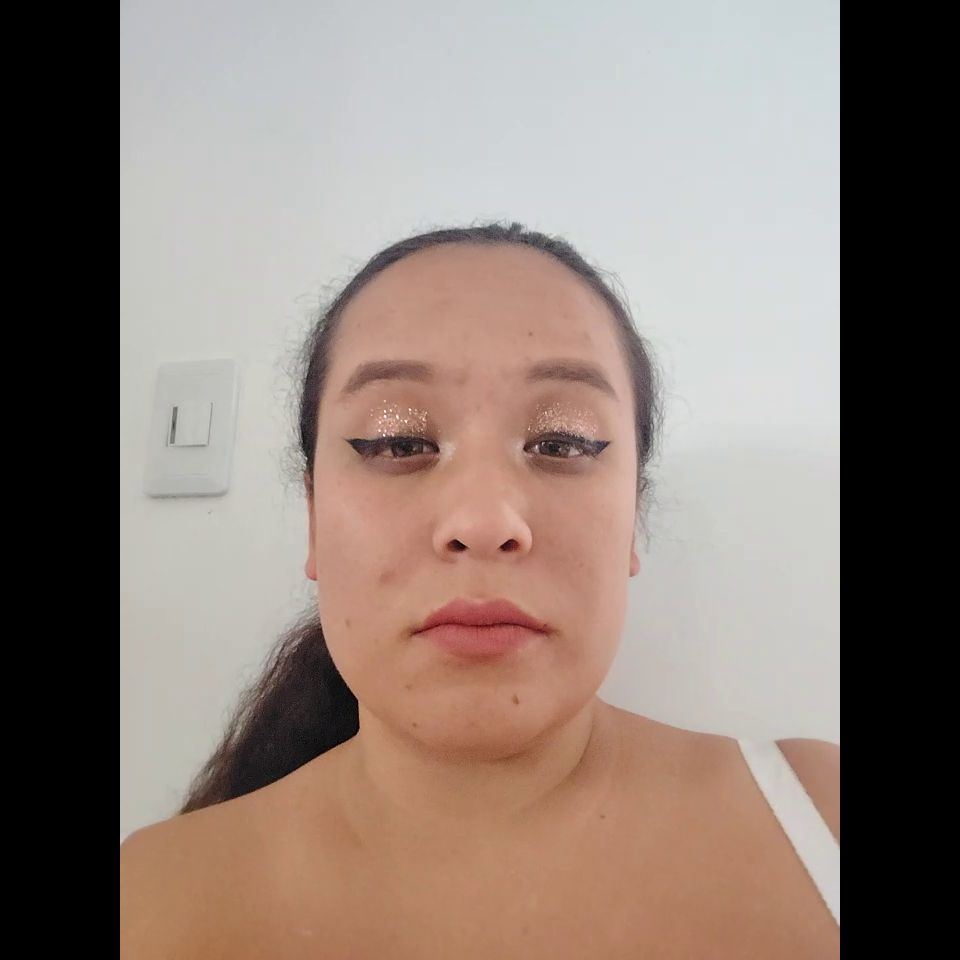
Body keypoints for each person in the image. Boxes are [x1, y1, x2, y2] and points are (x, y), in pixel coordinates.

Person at [120, 222, 839, 958]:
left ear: (633, 520)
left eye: (562, 441)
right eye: (398, 440)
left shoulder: (823, 818)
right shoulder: (147, 899)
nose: (485, 521)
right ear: (313, 516)